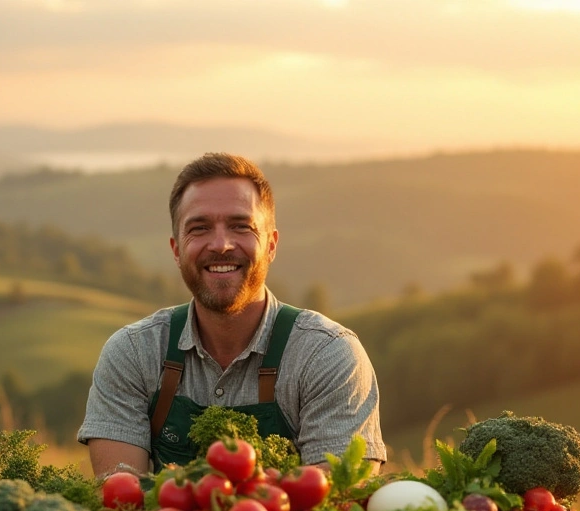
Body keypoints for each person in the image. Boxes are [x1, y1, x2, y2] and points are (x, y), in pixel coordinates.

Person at [77, 152, 385, 478]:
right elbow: (121, 500)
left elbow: (337, 503)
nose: (221, 244)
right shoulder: (134, 353)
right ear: (177, 249)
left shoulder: (327, 355)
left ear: (271, 245)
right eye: (200, 228)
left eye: (241, 226)